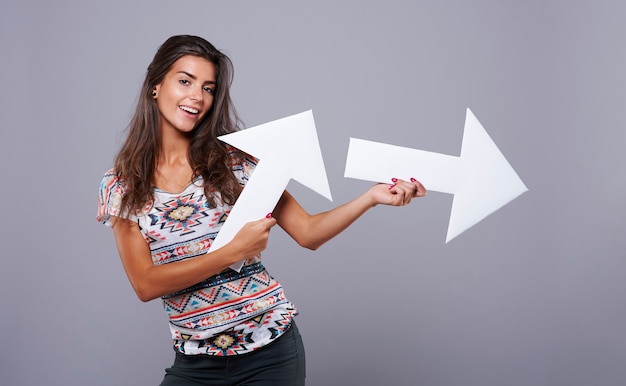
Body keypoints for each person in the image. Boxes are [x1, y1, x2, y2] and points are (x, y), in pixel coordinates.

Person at [97, 35, 426, 386]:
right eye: (184, 81)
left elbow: (308, 233)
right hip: (194, 362)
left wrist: (370, 197)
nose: (197, 96)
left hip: (271, 352)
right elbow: (145, 284)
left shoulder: (235, 164)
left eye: (208, 88)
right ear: (155, 85)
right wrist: (232, 252)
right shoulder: (121, 185)